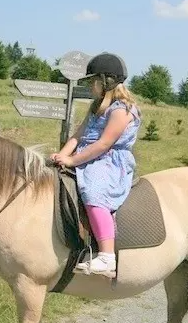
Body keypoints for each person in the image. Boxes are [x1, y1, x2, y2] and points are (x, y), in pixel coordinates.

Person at [51, 52, 141, 276]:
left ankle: (107, 256)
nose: (92, 85)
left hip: (108, 162)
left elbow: (103, 144)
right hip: (87, 156)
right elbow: (77, 136)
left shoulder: (122, 110)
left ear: (107, 81)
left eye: (94, 81)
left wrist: (71, 160)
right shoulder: (96, 108)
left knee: (93, 192)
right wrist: (61, 155)